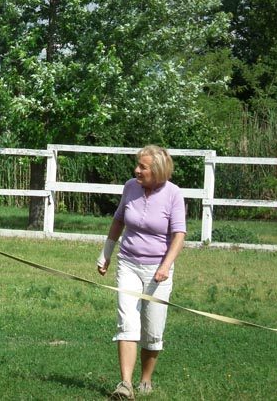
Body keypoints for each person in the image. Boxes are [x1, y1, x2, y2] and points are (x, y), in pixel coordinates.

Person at [96, 145, 186, 400]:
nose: (136, 170)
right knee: (127, 321)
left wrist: (166, 265)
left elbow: (179, 235)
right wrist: (106, 254)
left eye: (142, 167)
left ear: (157, 170)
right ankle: (126, 384)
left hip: (158, 269)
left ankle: (145, 378)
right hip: (129, 263)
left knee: (153, 330)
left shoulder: (174, 194)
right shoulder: (130, 187)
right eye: (137, 165)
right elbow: (118, 220)